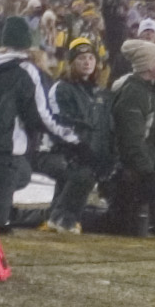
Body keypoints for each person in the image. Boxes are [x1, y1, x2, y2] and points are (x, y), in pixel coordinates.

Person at [0, 15, 78, 231]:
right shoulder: (26, 70)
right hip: (5, 147)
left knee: (21, 175)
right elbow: (39, 114)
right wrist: (70, 136)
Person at [42, 38, 112, 234]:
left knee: (87, 169)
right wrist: (80, 147)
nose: (87, 62)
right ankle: (62, 219)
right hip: (52, 149)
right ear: (71, 62)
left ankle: (58, 216)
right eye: (81, 58)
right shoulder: (61, 87)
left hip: (79, 149)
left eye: (91, 58)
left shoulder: (95, 91)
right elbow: (58, 123)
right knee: (84, 172)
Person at [105, 37, 155, 235]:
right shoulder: (135, 94)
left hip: (146, 166)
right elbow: (132, 140)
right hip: (138, 173)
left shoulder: (144, 90)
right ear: (149, 66)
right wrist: (148, 171)